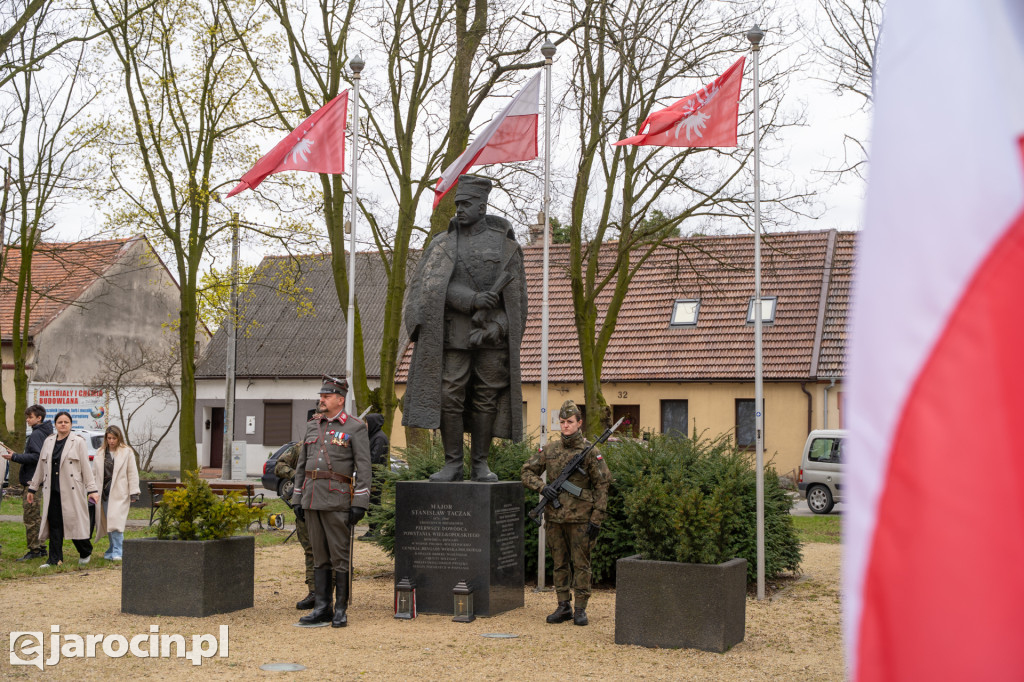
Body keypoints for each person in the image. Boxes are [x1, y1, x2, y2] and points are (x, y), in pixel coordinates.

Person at [402, 174, 528, 482]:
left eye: (466, 204)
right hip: (452, 334)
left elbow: (517, 300)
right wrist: (471, 299)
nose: (459, 209)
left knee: (486, 396)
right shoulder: (442, 245)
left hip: (491, 337)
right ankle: (453, 464)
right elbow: (428, 289)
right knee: (449, 394)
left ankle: (480, 464)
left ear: (482, 207)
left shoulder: (506, 246)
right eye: (457, 204)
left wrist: (498, 327)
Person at [521, 400, 611, 626]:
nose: (565, 426)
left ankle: (580, 608)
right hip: (555, 517)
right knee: (559, 563)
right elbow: (526, 472)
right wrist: (543, 488)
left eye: (570, 422)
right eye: (562, 422)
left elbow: (602, 485)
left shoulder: (590, 452)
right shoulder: (550, 450)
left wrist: (597, 518)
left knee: (581, 564)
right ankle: (563, 605)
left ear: (579, 423)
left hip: (581, 518)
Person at [291, 375, 371, 627]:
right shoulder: (313, 426)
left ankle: (340, 609)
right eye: (321, 396)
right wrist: (297, 497)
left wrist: (360, 502)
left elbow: (364, 468)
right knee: (319, 556)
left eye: (326, 396)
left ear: (340, 399)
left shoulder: (355, 427)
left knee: (340, 557)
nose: (321, 400)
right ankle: (322, 607)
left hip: (337, 501)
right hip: (312, 499)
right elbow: (302, 465)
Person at [25, 411, 99, 568]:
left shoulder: (78, 442)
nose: (63, 424)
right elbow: (40, 467)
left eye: (66, 422)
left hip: (72, 491)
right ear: (56, 425)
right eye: (60, 422)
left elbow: (86, 467)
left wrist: (92, 490)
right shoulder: (48, 441)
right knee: (55, 525)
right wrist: (32, 488)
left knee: (74, 523)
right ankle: (54, 559)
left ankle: (85, 551)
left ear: (71, 424)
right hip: (52, 491)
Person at [274, 440, 333, 609]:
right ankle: (314, 592)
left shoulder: (336, 444)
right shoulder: (301, 447)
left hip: (330, 502)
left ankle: (330, 593)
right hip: (305, 503)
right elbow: (279, 466)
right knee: (310, 550)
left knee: (332, 550)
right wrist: (295, 475)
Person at [2, 404, 53, 561]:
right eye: (27, 417)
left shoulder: (37, 434)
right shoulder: (44, 432)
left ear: (39, 418)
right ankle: (41, 547)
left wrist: (16, 457)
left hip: (33, 482)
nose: (27, 420)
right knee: (37, 516)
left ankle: (34, 550)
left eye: (30, 417)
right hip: (39, 481)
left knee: (30, 516)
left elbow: (37, 457)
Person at [91, 426, 140, 561]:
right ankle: (112, 549)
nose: (111, 441)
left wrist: (134, 492)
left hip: (120, 492)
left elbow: (132, 472)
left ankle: (118, 551)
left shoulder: (126, 452)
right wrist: (92, 491)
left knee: (116, 523)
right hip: (104, 493)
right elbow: (94, 474)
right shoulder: (100, 452)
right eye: (109, 438)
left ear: (119, 438)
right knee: (109, 523)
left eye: (114, 438)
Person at [358, 413, 389, 540]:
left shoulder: (379, 438)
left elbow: (374, 458)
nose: (365, 425)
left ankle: (375, 531)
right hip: (372, 475)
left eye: (367, 422)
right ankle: (372, 530)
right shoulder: (373, 436)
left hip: (376, 476)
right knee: (371, 503)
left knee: (374, 503)